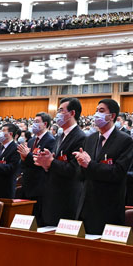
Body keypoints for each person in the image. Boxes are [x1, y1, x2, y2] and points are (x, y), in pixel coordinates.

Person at [75, 99, 133, 235]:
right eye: (96, 111)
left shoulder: (124, 140)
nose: (97, 114)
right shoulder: (90, 139)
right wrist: (81, 164)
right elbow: (82, 175)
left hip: (109, 206)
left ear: (112, 116)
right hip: (87, 204)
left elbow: (118, 173)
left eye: (101, 111)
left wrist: (89, 164)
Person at [36, 97, 88, 226]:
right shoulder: (60, 136)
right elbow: (55, 162)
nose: (58, 114)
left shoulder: (81, 137)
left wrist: (51, 162)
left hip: (67, 196)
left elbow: (74, 170)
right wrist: (45, 164)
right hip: (52, 193)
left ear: (72, 113)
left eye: (61, 110)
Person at [17, 112, 56, 224]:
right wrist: (23, 158)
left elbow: (42, 162)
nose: (34, 124)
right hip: (27, 183)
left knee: (36, 220)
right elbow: (25, 162)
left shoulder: (50, 140)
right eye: (33, 121)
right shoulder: (31, 140)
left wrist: (27, 155)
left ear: (45, 124)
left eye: (37, 122)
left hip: (39, 184)